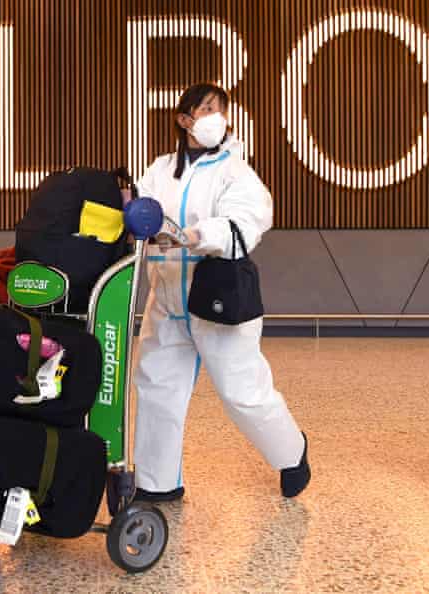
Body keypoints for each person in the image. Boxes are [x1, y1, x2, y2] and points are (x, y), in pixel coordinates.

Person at [132, 82, 311, 501]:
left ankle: (291, 451)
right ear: (184, 119)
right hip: (167, 298)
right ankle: (157, 483)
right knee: (157, 387)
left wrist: (198, 234)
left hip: (218, 297)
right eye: (207, 109)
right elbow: (142, 205)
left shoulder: (235, 170)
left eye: (221, 111)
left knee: (242, 393)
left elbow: (249, 219)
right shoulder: (160, 169)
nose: (216, 118)